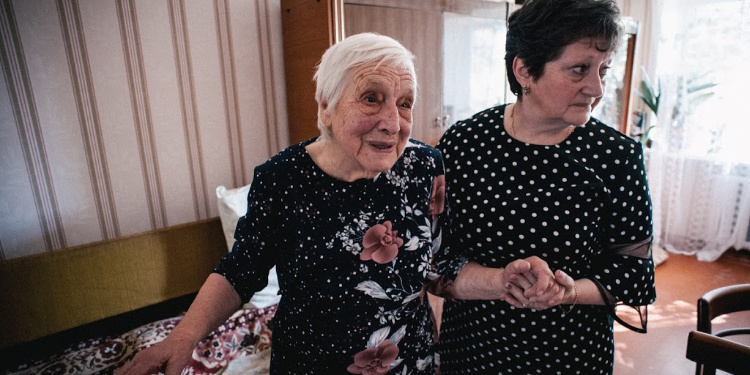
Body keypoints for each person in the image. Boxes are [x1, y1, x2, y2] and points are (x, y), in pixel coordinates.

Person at [115, 32, 449, 375]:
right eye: (371, 98)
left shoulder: (425, 168)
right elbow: (241, 270)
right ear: (326, 106)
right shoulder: (283, 179)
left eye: (405, 103)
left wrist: (498, 282)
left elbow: (441, 265)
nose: (393, 123)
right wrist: (182, 338)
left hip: (410, 362)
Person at [432, 0, 657, 374]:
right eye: (579, 69)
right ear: (524, 70)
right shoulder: (463, 144)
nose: (597, 88)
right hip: (473, 352)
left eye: (604, 69)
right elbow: (431, 258)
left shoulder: (616, 156)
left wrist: (566, 292)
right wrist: (499, 281)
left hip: (571, 358)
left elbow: (636, 274)